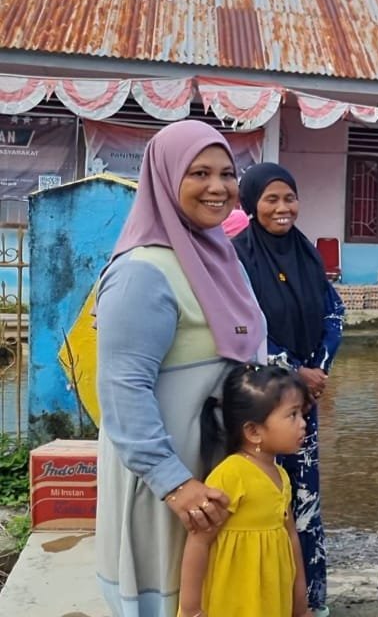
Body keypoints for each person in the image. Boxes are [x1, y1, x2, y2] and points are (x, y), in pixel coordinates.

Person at [95, 120, 266, 617]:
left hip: (218, 472)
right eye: (199, 173)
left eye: (227, 174)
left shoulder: (221, 257)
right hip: (171, 480)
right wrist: (173, 483)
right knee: (171, 596)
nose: (218, 187)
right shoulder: (142, 273)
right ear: (165, 179)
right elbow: (123, 388)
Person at [233, 162, 345, 616]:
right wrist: (293, 372)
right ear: (251, 204)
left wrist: (315, 371)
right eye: (272, 199)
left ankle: (309, 601)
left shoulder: (306, 253)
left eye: (290, 198)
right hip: (259, 404)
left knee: (304, 500)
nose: (283, 208)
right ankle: (261, 601)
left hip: (302, 405)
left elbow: (333, 314)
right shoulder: (236, 259)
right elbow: (241, 327)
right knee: (259, 499)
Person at [180, 364, 312, 617]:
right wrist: (190, 609)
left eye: (302, 414)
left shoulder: (281, 475)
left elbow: (291, 538)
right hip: (235, 599)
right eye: (292, 415)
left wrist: (300, 602)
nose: (303, 424)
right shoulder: (231, 475)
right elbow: (198, 542)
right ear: (253, 431)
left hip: (270, 597)